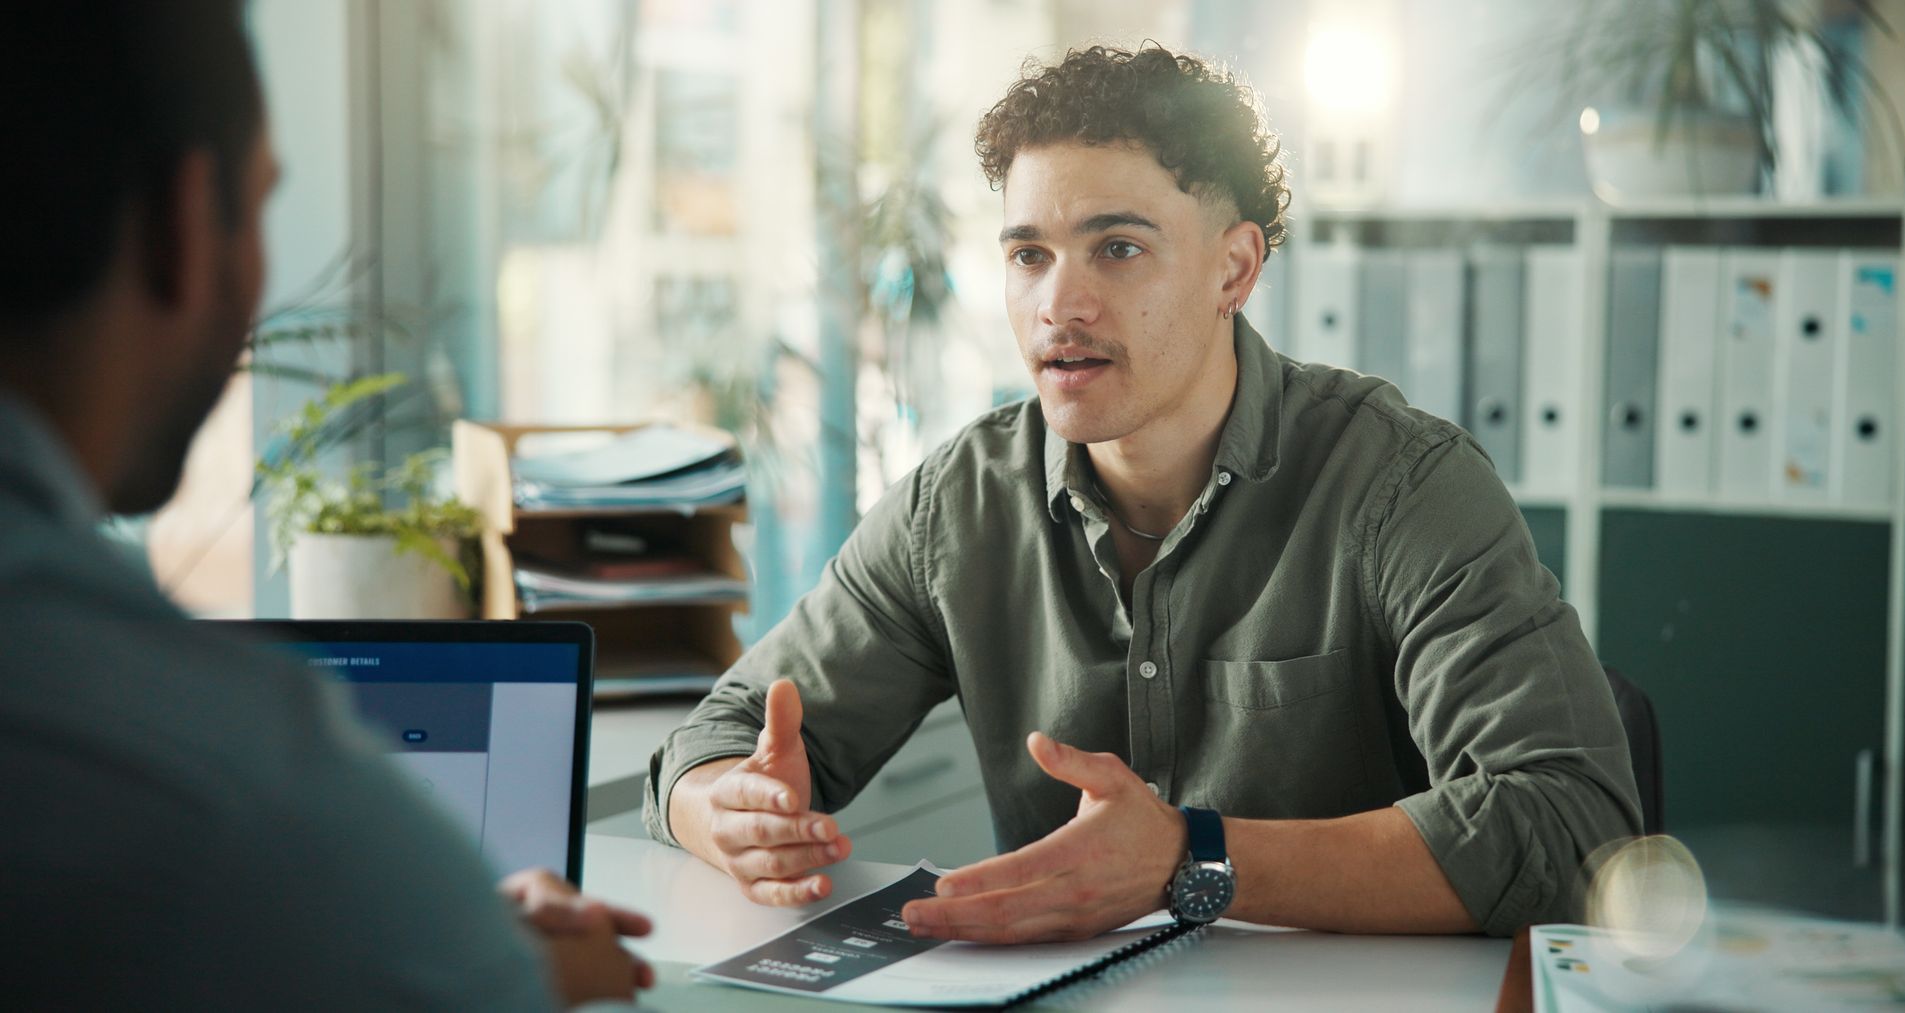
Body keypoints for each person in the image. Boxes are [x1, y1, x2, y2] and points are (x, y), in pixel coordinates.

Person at [643, 44, 1640, 942]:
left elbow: (1572, 826)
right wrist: (727, 806)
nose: (1059, 304)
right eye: (1028, 255)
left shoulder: (1402, 485)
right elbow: (713, 742)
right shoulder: (958, 505)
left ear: (1233, 268)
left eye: (1117, 249)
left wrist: (1189, 858)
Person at [0, 4, 651, 1008]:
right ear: (185, 225)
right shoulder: (227, 779)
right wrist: (492, 965)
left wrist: (426, 931)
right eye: (263, 204)